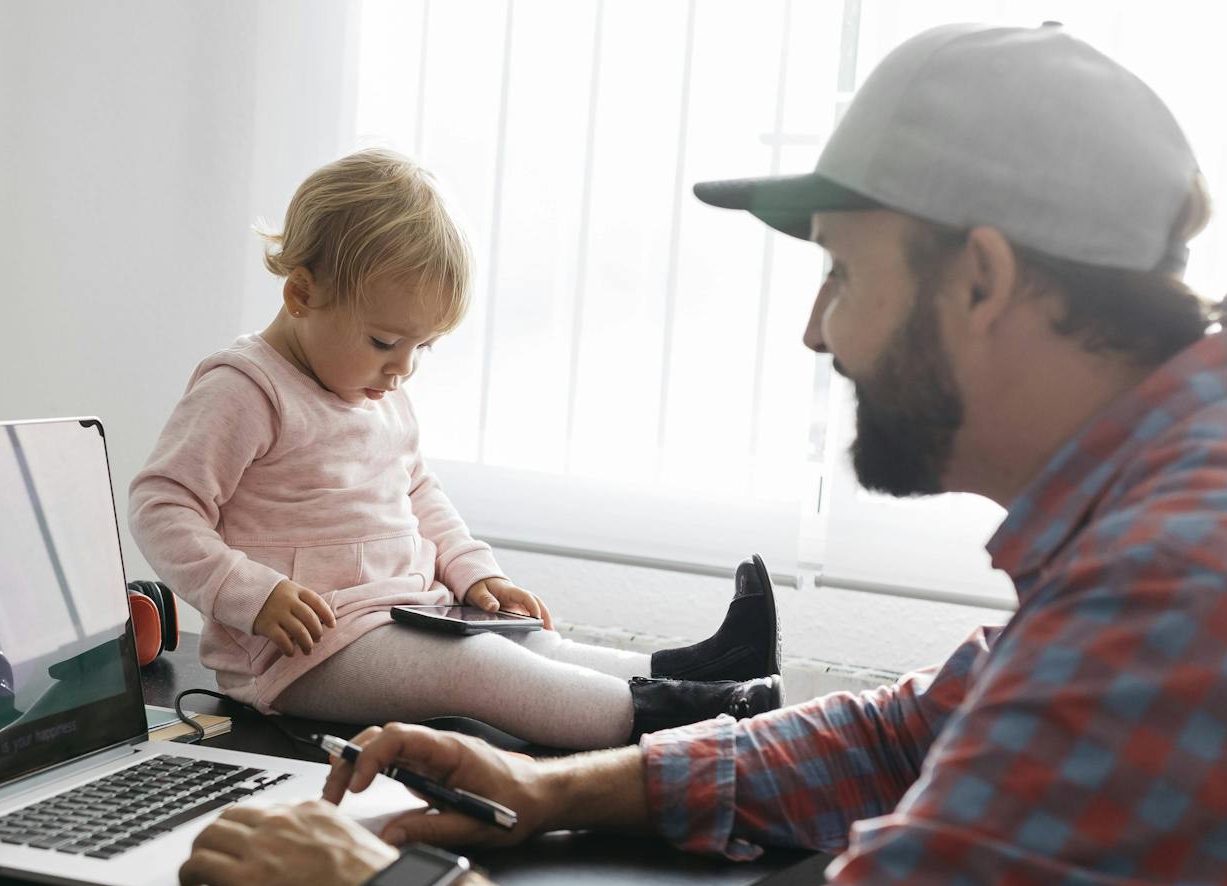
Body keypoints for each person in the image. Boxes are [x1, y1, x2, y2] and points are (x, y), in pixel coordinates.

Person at [178, 23, 1227, 886]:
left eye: (841, 272)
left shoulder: (1210, 580)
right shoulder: (1211, 495)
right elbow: (926, 726)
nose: (817, 330)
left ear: (983, 279)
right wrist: (560, 787)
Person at [128, 149, 783, 749]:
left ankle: (703, 672)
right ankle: (692, 722)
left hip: (405, 614)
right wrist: (249, 593)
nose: (403, 368)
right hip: (299, 654)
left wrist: (474, 571)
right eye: (386, 341)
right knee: (479, 670)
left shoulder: (375, 391)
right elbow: (161, 504)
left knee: (530, 643)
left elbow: (418, 493)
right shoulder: (246, 389)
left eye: (422, 348)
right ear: (302, 294)